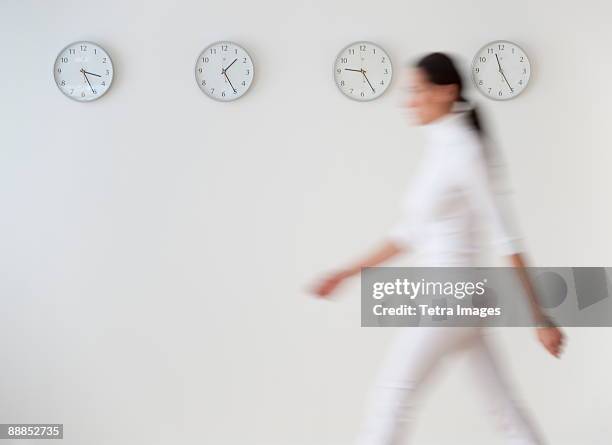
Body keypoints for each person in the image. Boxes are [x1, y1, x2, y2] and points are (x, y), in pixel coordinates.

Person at [311, 52, 564, 445]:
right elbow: (408, 235)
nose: (408, 100)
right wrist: (346, 273)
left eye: (416, 90)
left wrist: (540, 317)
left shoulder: (464, 150)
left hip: (449, 297)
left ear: (446, 91)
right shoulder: (443, 146)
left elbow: (505, 236)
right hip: (462, 298)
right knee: (503, 409)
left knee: (390, 398)